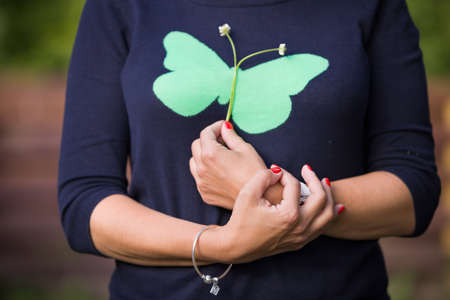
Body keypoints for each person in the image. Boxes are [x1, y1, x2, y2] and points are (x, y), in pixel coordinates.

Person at [57, 0, 441, 299]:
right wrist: (224, 244)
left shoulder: (371, 5)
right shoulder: (119, 6)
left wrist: (272, 193)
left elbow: (412, 193)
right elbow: (85, 202)